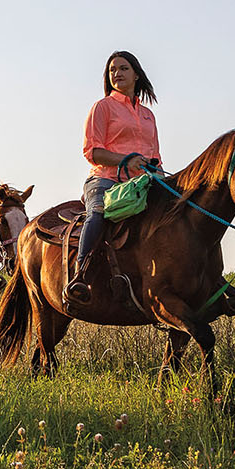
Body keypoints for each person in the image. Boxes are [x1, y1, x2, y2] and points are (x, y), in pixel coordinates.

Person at [65, 51, 160, 305]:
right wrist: (126, 160)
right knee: (97, 213)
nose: (117, 73)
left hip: (141, 183)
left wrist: (161, 176)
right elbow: (92, 151)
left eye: (123, 68)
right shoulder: (103, 107)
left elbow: (156, 157)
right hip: (105, 179)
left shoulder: (149, 115)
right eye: (112, 70)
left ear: (136, 74)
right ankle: (80, 275)